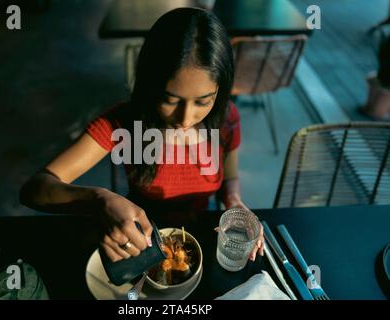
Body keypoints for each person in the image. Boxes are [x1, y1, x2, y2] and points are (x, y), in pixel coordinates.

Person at [20, 7, 264, 263]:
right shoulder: (123, 122)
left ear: (220, 91)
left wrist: (233, 201)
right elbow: (35, 189)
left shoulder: (226, 118)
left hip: (203, 237)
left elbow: (230, 177)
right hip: (138, 241)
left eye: (203, 102)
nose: (185, 118)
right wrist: (98, 200)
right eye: (170, 100)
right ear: (150, 85)